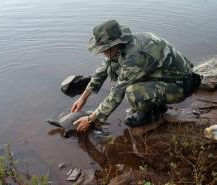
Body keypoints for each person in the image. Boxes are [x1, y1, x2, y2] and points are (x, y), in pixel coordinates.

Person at [72, 20, 200, 132]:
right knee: (113, 68)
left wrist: (90, 119)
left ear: (114, 44)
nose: (103, 53)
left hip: (182, 85)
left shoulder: (136, 56)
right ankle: (157, 104)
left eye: (104, 49)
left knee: (132, 92)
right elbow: (103, 69)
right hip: (166, 77)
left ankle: (151, 114)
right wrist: (83, 98)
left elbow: (117, 92)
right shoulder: (124, 44)